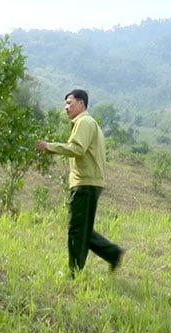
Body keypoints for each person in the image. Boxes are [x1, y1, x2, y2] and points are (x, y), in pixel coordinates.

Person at [35, 89, 124, 277]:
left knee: (77, 229)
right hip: (89, 181)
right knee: (82, 227)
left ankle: (74, 273)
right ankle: (112, 253)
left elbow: (77, 148)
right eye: (65, 104)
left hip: (85, 183)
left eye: (70, 103)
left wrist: (49, 147)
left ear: (82, 103)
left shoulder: (84, 122)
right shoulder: (87, 123)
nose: (66, 108)